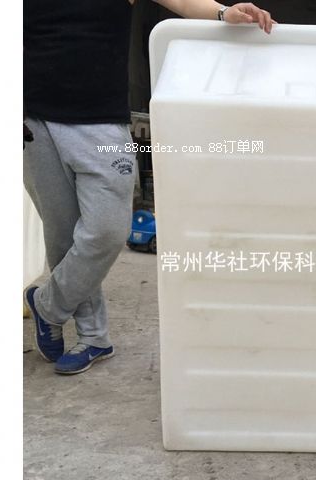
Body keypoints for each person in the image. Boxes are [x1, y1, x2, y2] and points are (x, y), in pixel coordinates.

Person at [23, 0, 274, 375]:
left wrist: (224, 13)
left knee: (107, 231)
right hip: (33, 122)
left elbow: (184, 2)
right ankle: (93, 337)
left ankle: (47, 306)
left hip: (100, 122)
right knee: (63, 235)